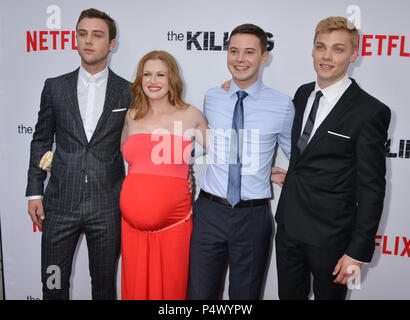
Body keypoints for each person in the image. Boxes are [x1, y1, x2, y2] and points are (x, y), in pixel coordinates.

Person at [274, 16, 391, 300]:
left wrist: (357, 252)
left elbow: (372, 187)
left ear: (354, 54)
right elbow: (315, 156)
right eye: (320, 47)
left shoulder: (370, 111)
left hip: (332, 238)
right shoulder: (302, 94)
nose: (327, 56)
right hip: (289, 227)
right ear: (312, 50)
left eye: (338, 49)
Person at [26, 8, 132, 299]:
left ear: (111, 43)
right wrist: (35, 191)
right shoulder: (55, 87)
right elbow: (41, 140)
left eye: (97, 35)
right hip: (58, 205)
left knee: (104, 286)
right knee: (53, 282)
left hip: (108, 204)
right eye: (82, 34)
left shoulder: (128, 91)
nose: (88, 41)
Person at [188, 24, 295, 300]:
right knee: (198, 296)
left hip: (252, 217)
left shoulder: (282, 105)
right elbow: (213, 143)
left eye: (249, 52)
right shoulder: (212, 97)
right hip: (209, 212)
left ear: (263, 57)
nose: (240, 59)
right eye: (234, 51)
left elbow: (296, 155)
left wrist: (262, 170)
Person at [120, 50, 208, 300]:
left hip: (174, 228)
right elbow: (131, 161)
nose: (153, 80)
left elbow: (223, 155)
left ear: (173, 80)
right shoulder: (132, 115)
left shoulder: (190, 115)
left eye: (161, 74)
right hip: (132, 229)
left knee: (172, 292)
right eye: (147, 74)